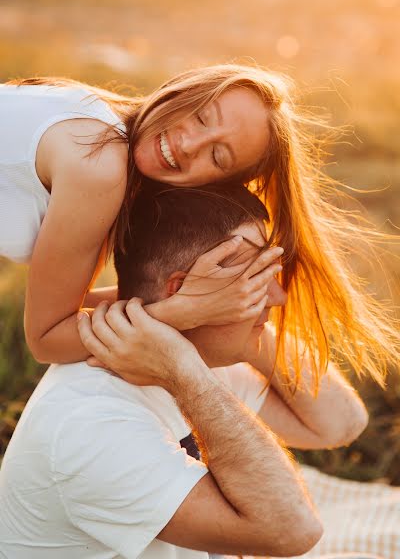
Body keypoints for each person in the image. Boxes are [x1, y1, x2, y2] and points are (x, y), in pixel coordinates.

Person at [0, 181, 374, 558]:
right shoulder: (90, 423)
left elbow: (340, 422)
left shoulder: (188, 352)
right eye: (254, 280)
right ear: (178, 288)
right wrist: (184, 368)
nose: (279, 297)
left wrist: (234, 327)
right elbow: (292, 531)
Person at [1, 64, 398, 387]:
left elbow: (66, 302)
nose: (188, 145)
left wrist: (193, 297)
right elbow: (48, 338)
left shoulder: (109, 124)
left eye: (218, 156)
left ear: (217, 185)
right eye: (202, 116)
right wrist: (182, 311)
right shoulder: (99, 165)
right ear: (185, 89)